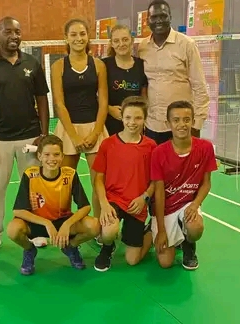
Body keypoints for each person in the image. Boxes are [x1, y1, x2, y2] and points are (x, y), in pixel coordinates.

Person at [0, 16, 51, 254]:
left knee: (34, 189)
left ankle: (36, 231)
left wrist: (44, 133)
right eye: (8, 32)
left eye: (17, 32)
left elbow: (42, 100)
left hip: (30, 137)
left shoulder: (32, 63)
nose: (14, 36)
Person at [6, 135, 101, 275]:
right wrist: (46, 223)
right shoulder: (30, 175)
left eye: (56, 154)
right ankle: (29, 250)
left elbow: (85, 207)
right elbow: (18, 211)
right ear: (39, 156)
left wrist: (67, 224)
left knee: (94, 226)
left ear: (62, 156)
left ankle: (70, 247)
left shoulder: (70, 175)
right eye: (47, 154)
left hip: (62, 221)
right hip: (37, 223)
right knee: (13, 230)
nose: (52, 159)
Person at [50, 18, 109, 221]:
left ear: (88, 36)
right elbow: (59, 104)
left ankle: (101, 228)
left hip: (95, 128)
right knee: (64, 183)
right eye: (73, 34)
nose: (78, 38)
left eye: (82, 34)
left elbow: (103, 103)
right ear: (66, 38)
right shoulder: (59, 66)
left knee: (99, 183)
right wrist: (74, 137)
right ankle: (64, 226)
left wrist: (95, 133)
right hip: (68, 131)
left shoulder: (99, 65)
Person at [92, 96, 157, 272]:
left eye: (138, 118)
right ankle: (107, 248)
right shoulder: (108, 144)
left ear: (145, 119)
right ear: (121, 117)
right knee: (108, 231)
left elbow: (155, 181)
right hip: (114, 200)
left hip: (138, 204)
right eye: (128, 117)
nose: (132, 122)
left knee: (132, 260)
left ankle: (150, 230)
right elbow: (98, 179)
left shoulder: (151, 146)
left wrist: (144, 197)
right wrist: (104, 205)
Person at [150, 100, 215, 270]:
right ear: (168, 123)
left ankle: (188, 245)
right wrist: (162, 230)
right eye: (176, 120)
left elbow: (206, 184)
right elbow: (158, 193)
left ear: (193, 121)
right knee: (165, 263)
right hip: (166, 208)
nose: (182, 124)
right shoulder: (159, 152)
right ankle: (152, 230)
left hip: (187, 204)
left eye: (186, 120)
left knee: (196, 227)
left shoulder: (206, 147)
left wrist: (195, 204)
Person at [138, 0, 210, 144]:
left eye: (163, 16)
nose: (159, 20)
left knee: (181, 166)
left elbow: (199, 87)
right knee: (155, 166)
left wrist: (196, 124)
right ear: (147, 21)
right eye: (154, 17)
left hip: (180, 125)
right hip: (153, 125)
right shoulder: (143, 47)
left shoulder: (187, 44)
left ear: (170, 17)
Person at [102, 24, 148, 135]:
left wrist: (143, 119)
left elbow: (144, 96)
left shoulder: (141, 65)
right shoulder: (104, 65)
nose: (121, 44)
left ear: (131, 41)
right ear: (112, 44)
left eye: (125, 39)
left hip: (135, 125)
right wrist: (109, 109)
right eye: (116, 41)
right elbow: (95, 95)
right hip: (111, 124)